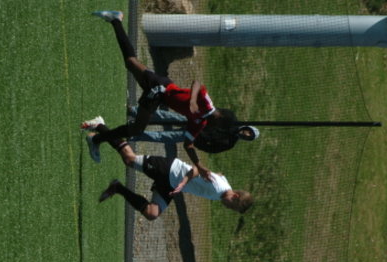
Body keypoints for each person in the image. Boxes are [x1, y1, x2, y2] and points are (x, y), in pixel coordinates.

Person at [82, 10, 244, 172]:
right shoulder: (207, 104)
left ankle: (115, 20)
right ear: (220, 118)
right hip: (160, 90)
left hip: (160, 92)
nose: (215, 128)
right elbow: (197, 84)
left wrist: (199, 165)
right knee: (136, 128)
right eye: (218, 125)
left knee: (131, 62)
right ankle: (96, 138)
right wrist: (193, 100)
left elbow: (188, 145)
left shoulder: (201, 122)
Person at [84, 122, 253, 220]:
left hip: (171, 185)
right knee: (129, 159)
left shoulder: (222, 191)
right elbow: (196, 170)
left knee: (152, 213)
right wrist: (184, 182)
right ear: (235, 196)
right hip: (170, 170)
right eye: (232, 206)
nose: (228, 208)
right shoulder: (219, 188)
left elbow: (216, 175)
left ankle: (117, 187)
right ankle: (100, 128)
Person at [128, 106, 260, 153]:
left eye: (249, 137)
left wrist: (196, 142)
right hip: (195, 121)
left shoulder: (229, 143)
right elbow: (214, 111)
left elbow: (211, 149)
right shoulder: (231, 118)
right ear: (246, 127)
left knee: (163, 137)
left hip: (193, 135)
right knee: (166, 116)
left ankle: (133, 134)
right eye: (249, 132)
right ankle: (135, 111)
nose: (247, 134)